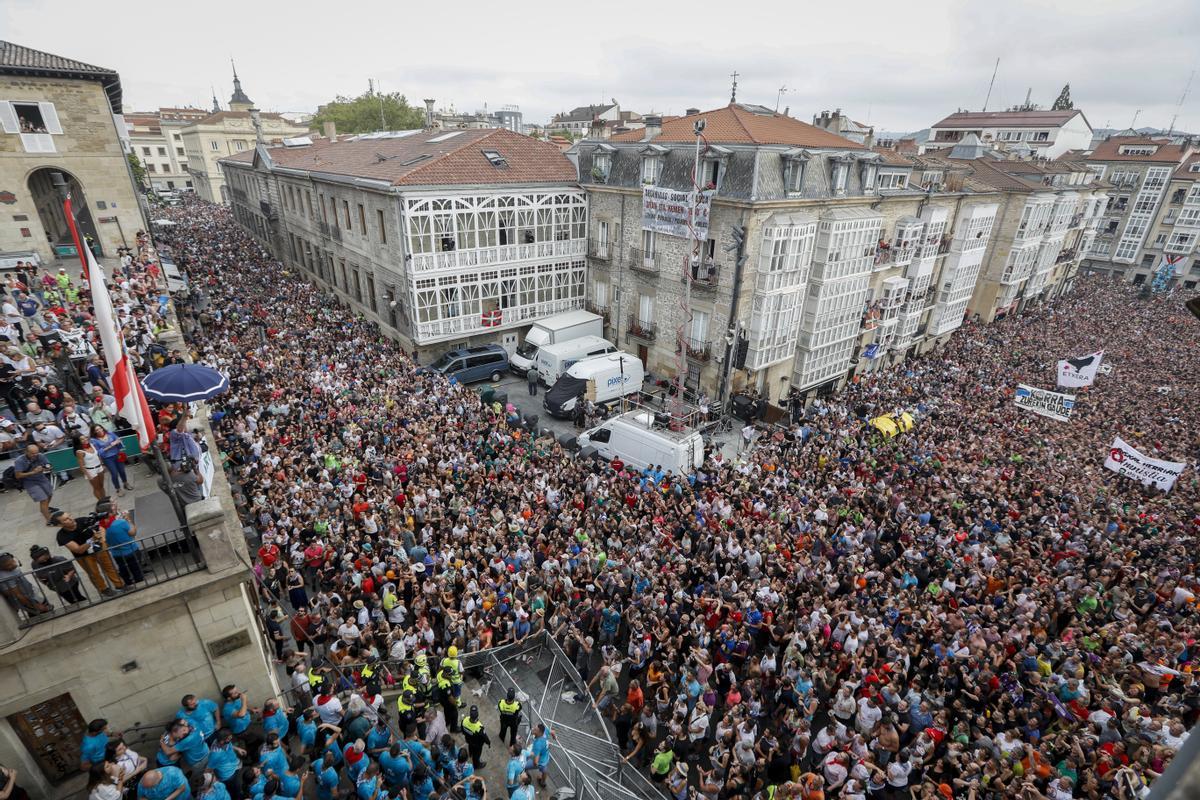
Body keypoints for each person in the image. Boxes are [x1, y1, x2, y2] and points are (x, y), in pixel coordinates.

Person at [53, 509, 124, 595]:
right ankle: (104, 589)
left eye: (69, 516)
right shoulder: (61, 536)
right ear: (60, 524)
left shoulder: (83, 520)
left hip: (99, 548)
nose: (71, 519)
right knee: (94, 574)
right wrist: (92, 539)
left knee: (109, 567)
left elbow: (100, 528)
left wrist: (102, 537)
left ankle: (120, 585)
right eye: (66, 519)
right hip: (84, 556)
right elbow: (78, 550)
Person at [12, 443, 55, 524]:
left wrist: (46, 467)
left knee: (49, 495)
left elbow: (48, 465)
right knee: (43, 499)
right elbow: (18, 475)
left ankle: (44, 509)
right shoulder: (19, 461)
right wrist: (33, 472)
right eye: (32, 453)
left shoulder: (40, 455)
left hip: (41, 478)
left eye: (36, 452)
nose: (35, 455)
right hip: (29, 482)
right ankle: (49, 520)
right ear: (26, 452)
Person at [0, 551, 50, 616]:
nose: (14, 564)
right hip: (26, 600)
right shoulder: (6, 577)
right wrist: (36, 606)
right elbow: (18, 595)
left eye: (13, 561)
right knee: (42, 614)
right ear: (1, 568)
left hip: (31, 595)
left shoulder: (12, 568)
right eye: (9, 565)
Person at [90, 424, 133, 496]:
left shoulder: (110, 433)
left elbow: (118, 439)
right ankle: (118, 489)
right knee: (114, 473)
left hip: (117, 455)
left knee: (122, 470)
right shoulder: (94, 440)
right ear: (94, 432)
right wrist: (110, 446)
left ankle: (125, 483)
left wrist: (118, 442)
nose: (99, 430)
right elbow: (98, 452)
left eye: (100, 428)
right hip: (107, 458)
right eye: (97, 430)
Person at [75, 433, 107, 500]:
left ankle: (105, 500)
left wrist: (102, 465)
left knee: (101, 486)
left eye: (85, 438)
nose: (85, 440)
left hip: (99, 467)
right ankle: (101, 502)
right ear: (78, 442)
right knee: (96, 488)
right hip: (91, 471)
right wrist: (88, 475)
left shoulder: (92, 445)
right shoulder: (79, 452)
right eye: (82, 439)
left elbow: (97, 456)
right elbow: (81, 466)